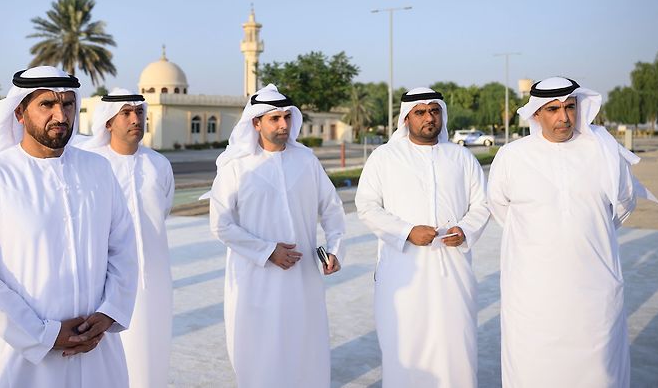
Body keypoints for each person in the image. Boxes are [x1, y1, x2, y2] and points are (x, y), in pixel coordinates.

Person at [487, 76, 658, 388]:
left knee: (598, 372)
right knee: (535, 370)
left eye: (570, 107)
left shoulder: (604, 152)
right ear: (536, 114)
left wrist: (585, 232)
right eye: (553, 109)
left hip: (594, 290)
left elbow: (622, 205)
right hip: (533, 294)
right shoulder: (512, 157)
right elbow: (502, 210)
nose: (564, 117)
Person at [0, 66, 138, 387]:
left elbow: (123, 248)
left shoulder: (98, 169)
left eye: (68, 104)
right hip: (23, 353)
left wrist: (110, 312)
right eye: (47, 105)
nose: (60, 114)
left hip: (97, 347)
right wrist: (42, 334)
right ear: (20, 113)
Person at [207, 84, 345, 388]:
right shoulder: (235, 167)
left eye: (286, 118)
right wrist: (268, 251)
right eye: (275, 119)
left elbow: (333, 209)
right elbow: (220, 224)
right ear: (256, 123)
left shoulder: (306, 161)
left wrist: (334, 248)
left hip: (303, 282)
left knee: (304, 349)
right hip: (255, 280)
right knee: (259, 354)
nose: (283, 125)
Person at [355, 87, 490, 388]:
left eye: (434, 111)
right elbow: (366, 206)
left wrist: (465, 229)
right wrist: (406, 232)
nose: (429, 117)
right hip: (402, 273)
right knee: (405, 347)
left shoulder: (461, 157)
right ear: (406, 118)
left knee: (455, 346)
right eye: (420, 112)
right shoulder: (384, 158)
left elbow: (482, 204)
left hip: (452, 273)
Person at [78, 88, 175, 388]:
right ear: (108, 122)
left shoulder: (159, 164)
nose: (136, 119)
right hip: (102, 284)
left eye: (140, 113)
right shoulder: (90, 164)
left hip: (153, 282)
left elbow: (163, 211)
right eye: (127, 113)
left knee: (151, 358)